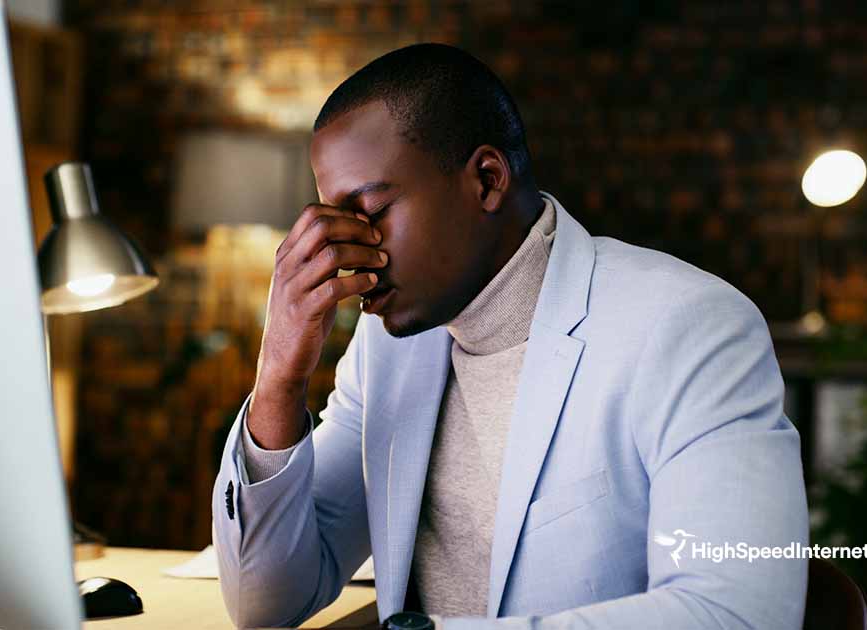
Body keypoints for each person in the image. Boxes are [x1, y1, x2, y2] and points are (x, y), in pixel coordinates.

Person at [211, 43, 808, 630]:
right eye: (332, 220)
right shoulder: (386, 350)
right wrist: (278, 381)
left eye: (369, 209)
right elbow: (269, 603)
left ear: (487, 180)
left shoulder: (690, 328)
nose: (348, 251)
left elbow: (739, 613)